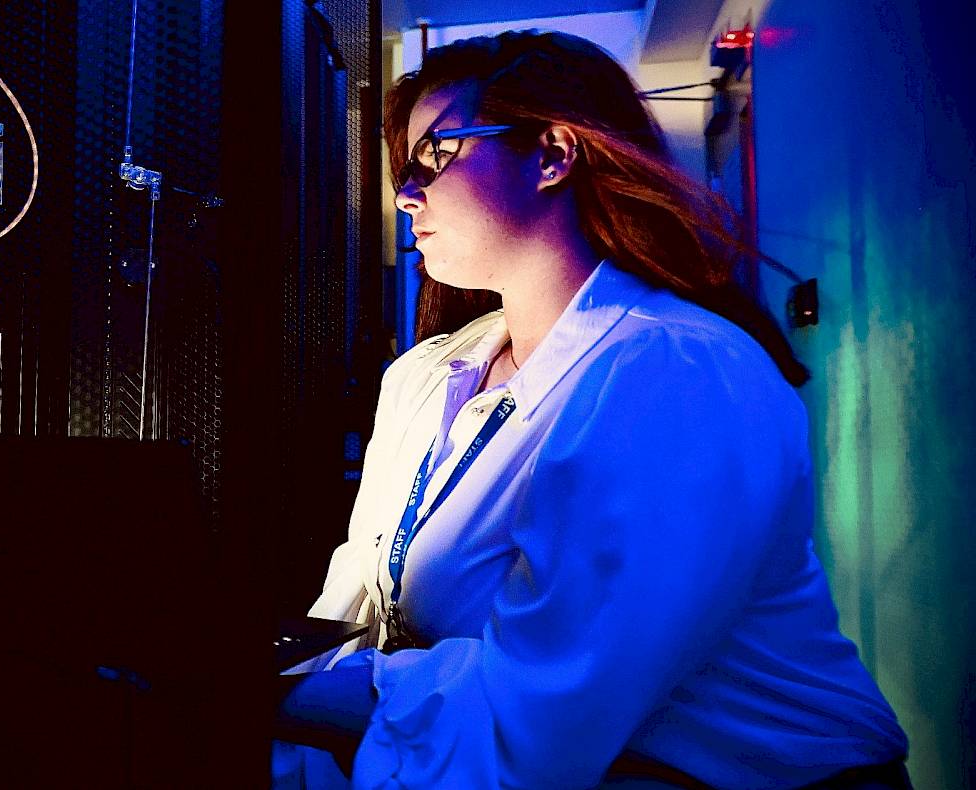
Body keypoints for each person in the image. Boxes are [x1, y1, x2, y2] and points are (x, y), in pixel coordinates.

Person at [272, 30, 909, 789]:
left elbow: (548, 704)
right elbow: (354, 612)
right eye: (402, 168)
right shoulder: (427, 376)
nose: (406, 193)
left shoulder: (674, 370)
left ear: (553, 153)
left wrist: (268, 689)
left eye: (434, 158)